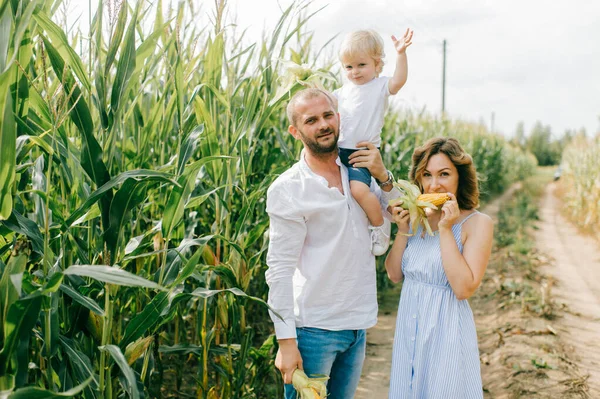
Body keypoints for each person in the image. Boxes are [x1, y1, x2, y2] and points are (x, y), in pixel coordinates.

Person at [265, 88, 397, 399]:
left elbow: (398, 213)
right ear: (295, 131)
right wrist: (286, 342)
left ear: (338, 117)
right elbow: (279, 270)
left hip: (357, 325)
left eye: (328, 115)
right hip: (313, 330)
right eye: (311, 120)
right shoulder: (289, 189)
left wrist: (383, 175)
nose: (323, 124)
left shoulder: (359, 172)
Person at [385, 137, 494, 398]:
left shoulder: (478, 223)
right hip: (410, 326)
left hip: (445, 332)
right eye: (427, 175)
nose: (434, 184)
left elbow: (463, 287)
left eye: (444, 174)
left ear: (460, 177)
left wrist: (446, 229)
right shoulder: (416, 217)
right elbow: (394, 274)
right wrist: (402, 230)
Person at [334, 28, 413, 256]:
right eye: (349, 67)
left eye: (361, 65)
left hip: (363, 153)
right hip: (340, 152)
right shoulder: (341, 92)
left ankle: (379, 225)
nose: (355, 72)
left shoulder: (379, 87)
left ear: (377, 64)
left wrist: (401, 54)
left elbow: (399, 81)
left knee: (358, 191)